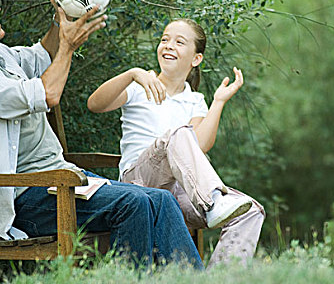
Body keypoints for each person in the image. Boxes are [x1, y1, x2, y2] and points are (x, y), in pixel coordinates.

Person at [0, 0, 203, 269]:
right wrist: (69, 45)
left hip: (61, 181)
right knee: (133, 204)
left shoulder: (1, 57)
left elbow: (44, 55)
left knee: (160, 200)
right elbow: (48, 93)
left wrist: (62, 16)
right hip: (26, 196)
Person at [87, 18, 265, 267]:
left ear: (196, 59)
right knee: (179, 134)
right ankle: (212, 200)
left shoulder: (195, 100)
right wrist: (132, 75)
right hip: (138, 183)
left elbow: (200, 146)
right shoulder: (140, 86)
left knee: (250, 211)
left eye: (179, 42)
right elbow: (94, 105)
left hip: (179, 192)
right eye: (164, 39)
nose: (169, 45)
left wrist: (219, 102)